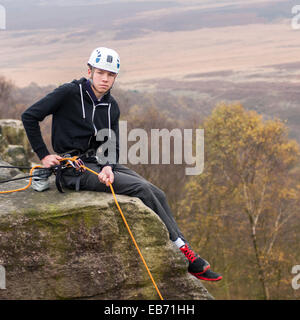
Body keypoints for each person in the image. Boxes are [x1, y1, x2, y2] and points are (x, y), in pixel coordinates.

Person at [22, 47, 222, 282]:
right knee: (142, 190)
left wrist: (108, 166)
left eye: (111, 75)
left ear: (115, 77)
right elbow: (30, 116)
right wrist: (44, 155)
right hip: (70, 169)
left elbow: (111, 142)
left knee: (157, 192)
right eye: (100, 73)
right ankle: (187, 256)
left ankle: (182, 245)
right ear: (89, 71)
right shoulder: (69, 93)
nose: (105, 79)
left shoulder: (111, 105)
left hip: (97, 162)